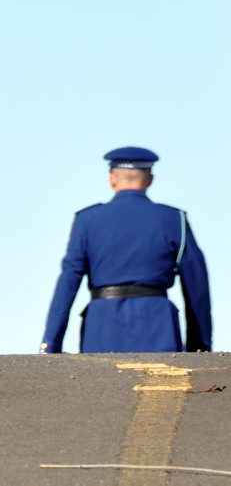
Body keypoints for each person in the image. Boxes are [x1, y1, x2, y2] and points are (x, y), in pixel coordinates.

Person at [40, 147, 212, 353]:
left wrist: (51, 343)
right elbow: (197, 288)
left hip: (101, 329)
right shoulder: (174, 219)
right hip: (158, 328)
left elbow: (68, 282)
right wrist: (199, 346)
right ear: (150, 180)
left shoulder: (87, 220)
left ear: (112, 179)